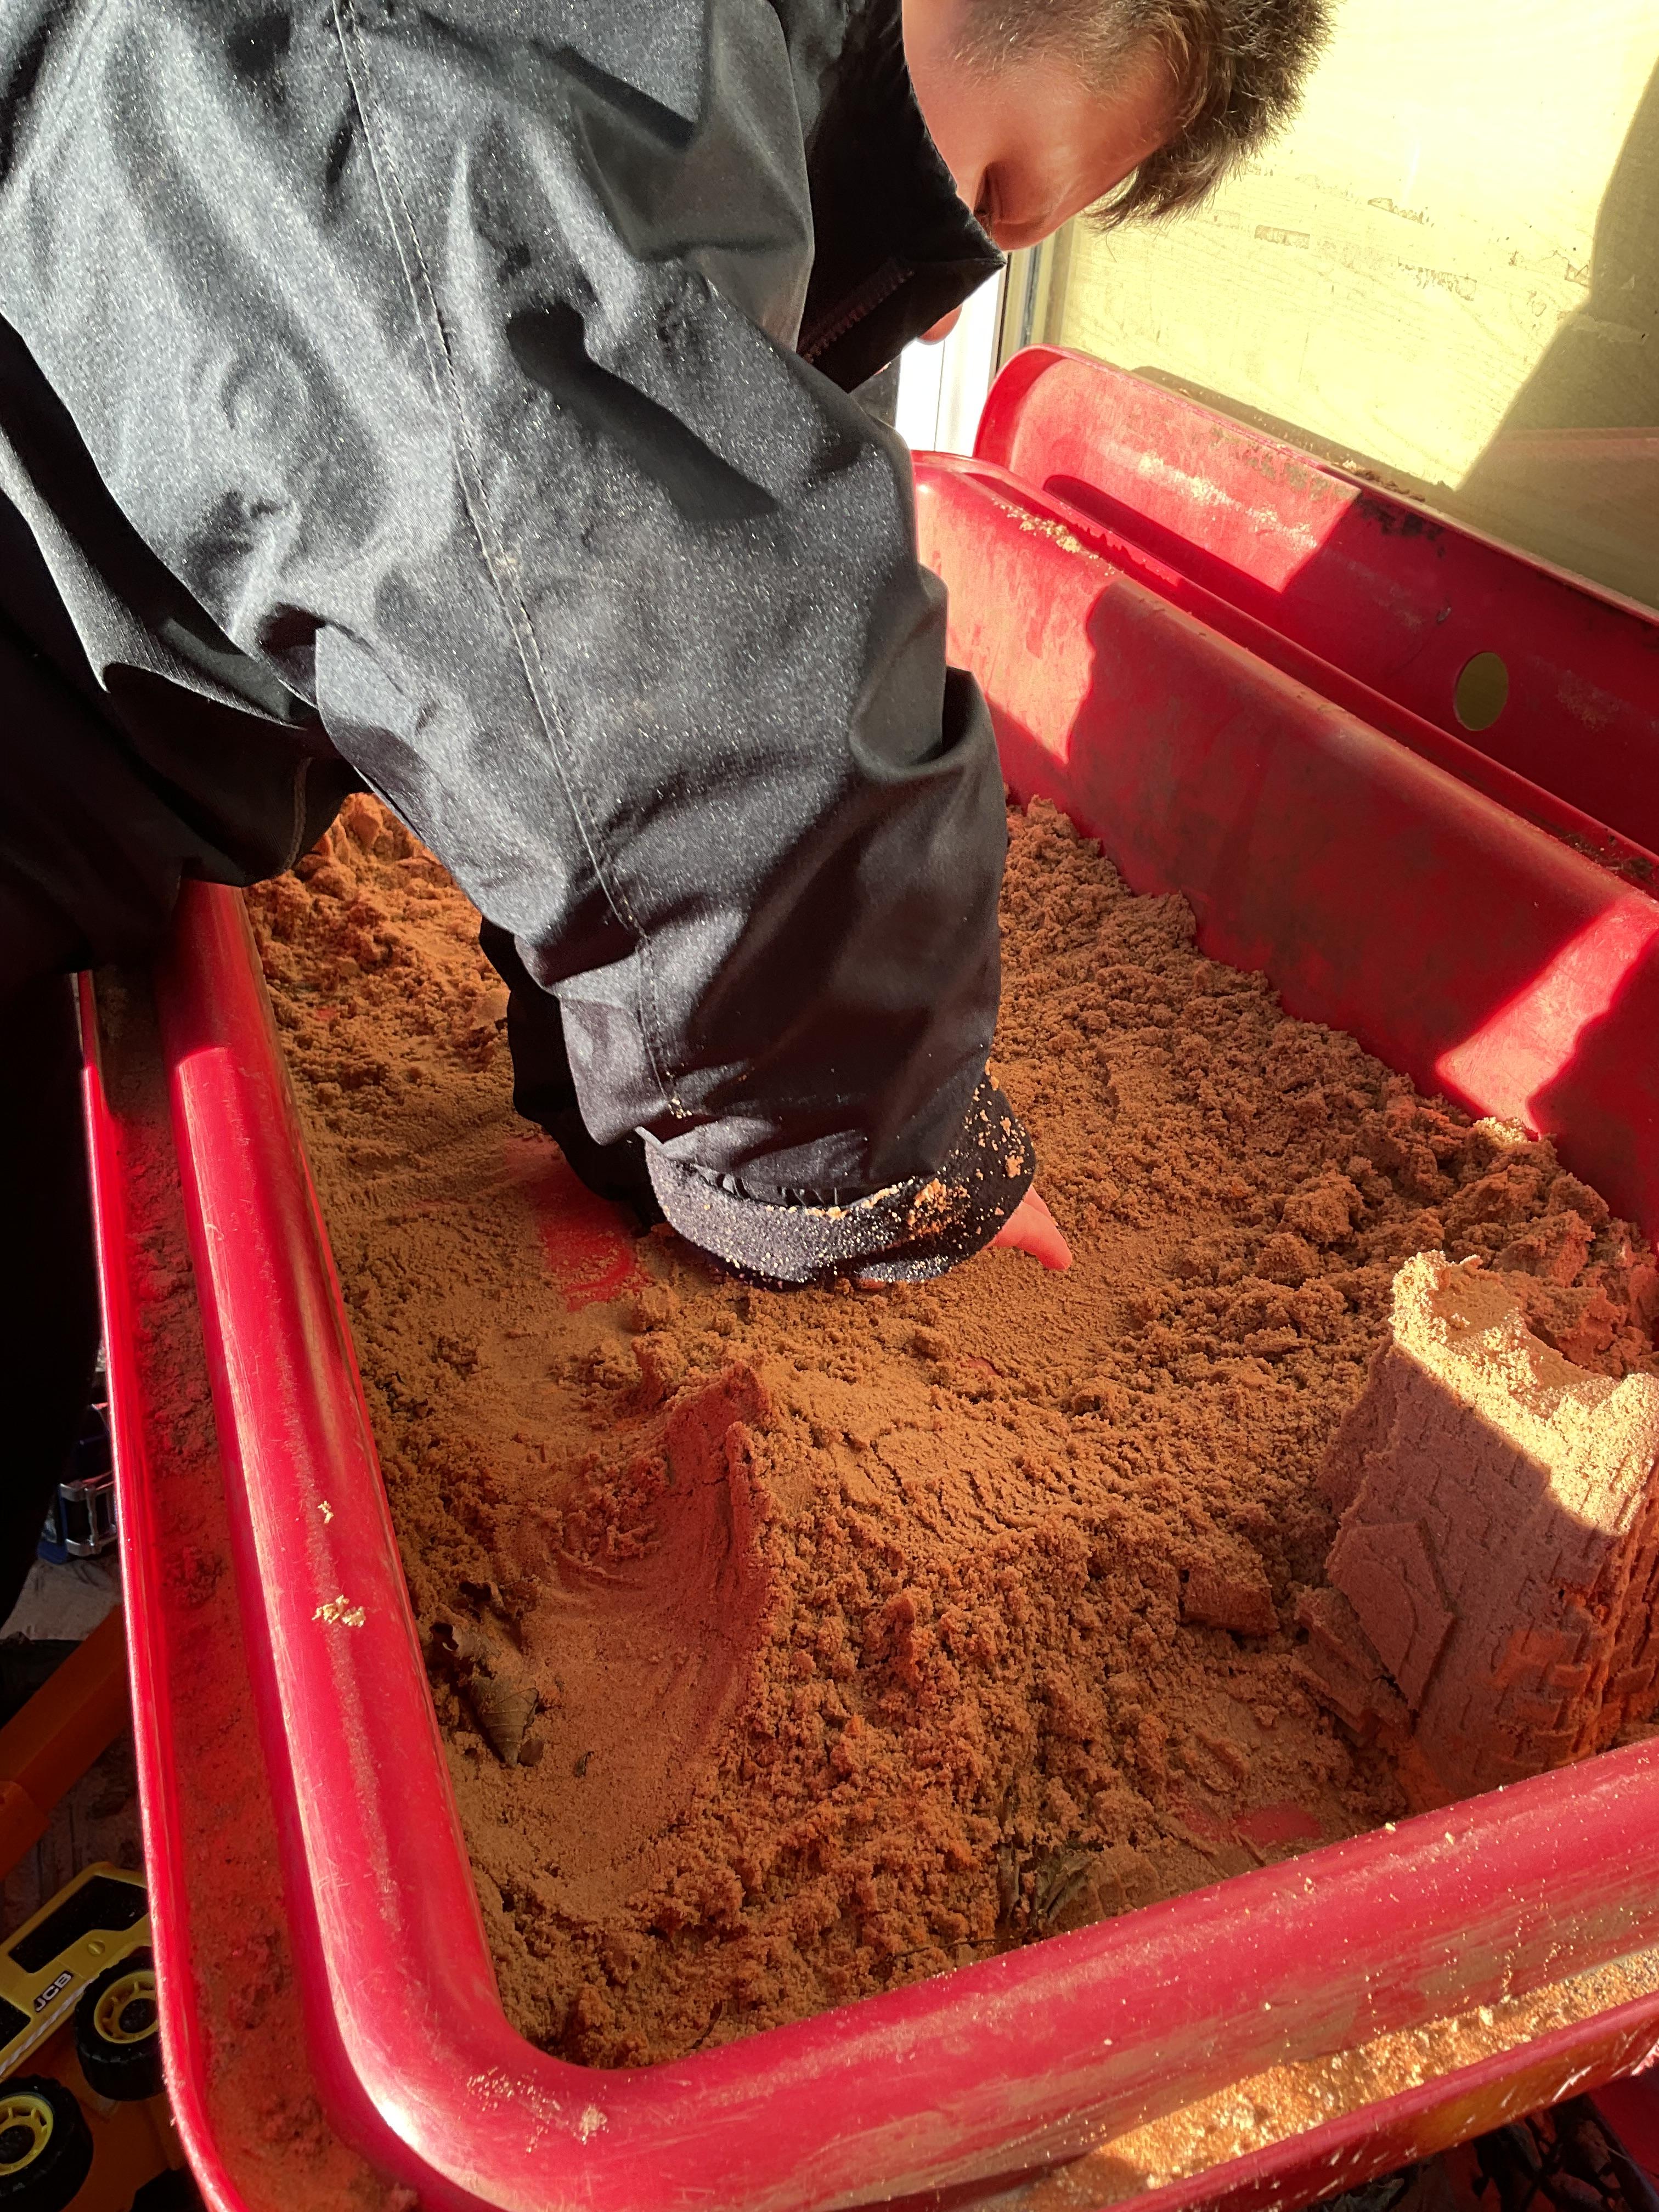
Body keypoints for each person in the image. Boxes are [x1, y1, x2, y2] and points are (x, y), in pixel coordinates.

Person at [0, 0, 1327, 1617]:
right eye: (994, 198)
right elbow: (634, 613)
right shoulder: (531, 71)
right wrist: (884, 1158)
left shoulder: (669, 123)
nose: (950, 304)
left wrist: (635, 1114)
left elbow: (536, 632)